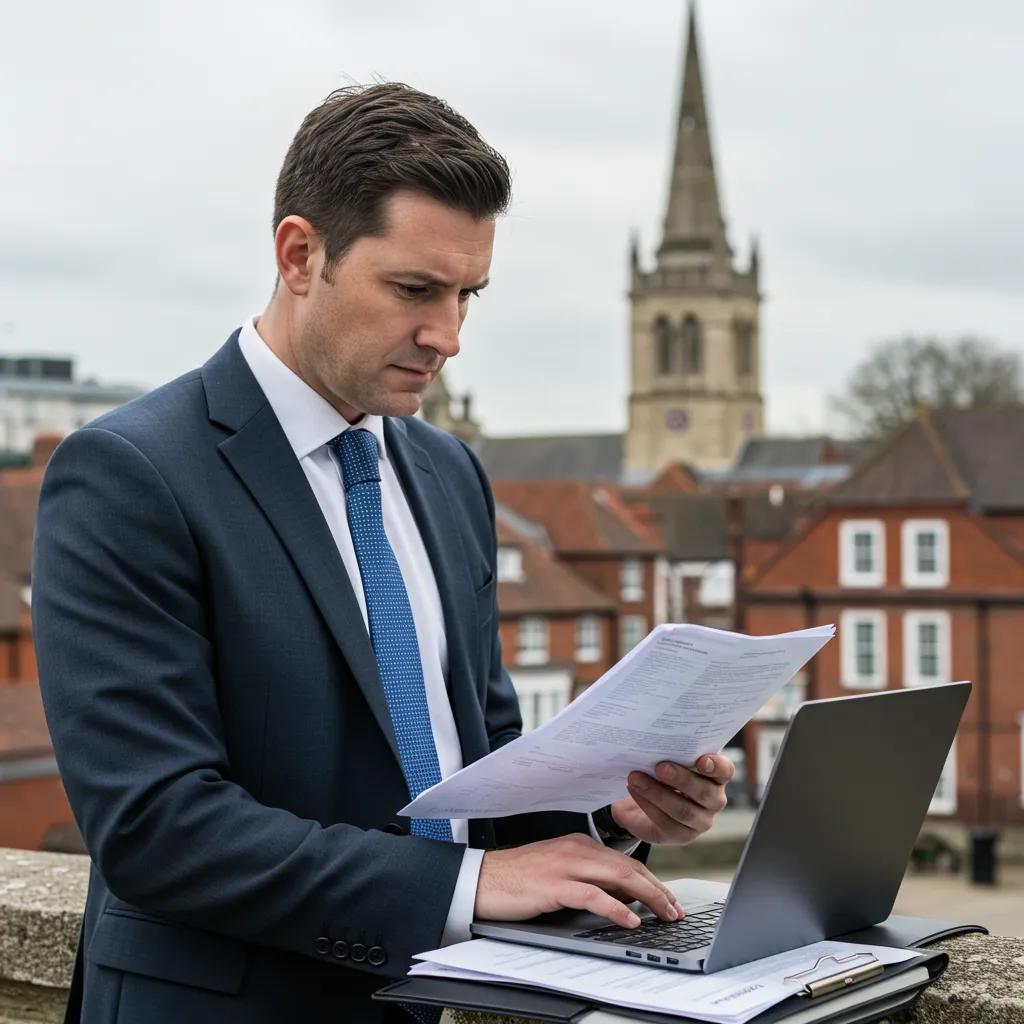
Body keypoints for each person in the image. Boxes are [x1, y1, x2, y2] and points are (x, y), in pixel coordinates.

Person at [32, 83, 734, 1024]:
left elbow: (477, 778)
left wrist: (615, 814)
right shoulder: (129, 472)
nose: (448, 336)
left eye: (466, 295)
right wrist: (464, 885)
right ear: (299, 255)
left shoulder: (448, 474)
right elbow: (156, 827)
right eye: (414, 290)